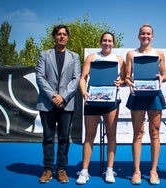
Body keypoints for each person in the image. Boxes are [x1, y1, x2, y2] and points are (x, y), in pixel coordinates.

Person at [76, 32, 125, 184]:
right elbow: (83, 78)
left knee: (111, 135)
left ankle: (110, 169)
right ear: (100, 42)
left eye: (110, 41)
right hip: (92, 101)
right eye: (104, 40)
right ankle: (84, 171)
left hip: (112, 103)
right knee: (89, 136)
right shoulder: (91, 58)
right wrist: (84, 92)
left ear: (113, 43)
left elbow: (124, 80)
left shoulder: (119, 60)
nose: (107, 43)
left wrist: (121, 82)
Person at [36, 24, 81, 183]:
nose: (62, 36)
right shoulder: (44, 55)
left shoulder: (74, 57)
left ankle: (61, 169)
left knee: (63, 139)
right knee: (48, 138)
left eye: (64, 34)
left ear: (67, 37)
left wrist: (63, 97)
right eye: (59, 34)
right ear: (54, 37)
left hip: (66, 104)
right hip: (47, 104)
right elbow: (40, 77)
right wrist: (53, 96)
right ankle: (47, 169)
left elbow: (76, 79)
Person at [124, 24, 166, 185]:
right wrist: (130, 83)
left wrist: (161, 79)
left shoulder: (159, 54)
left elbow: (164, 75)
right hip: (138, 95)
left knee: (155, 132)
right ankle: (136, 172)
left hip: (154, 95)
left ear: (152, 36)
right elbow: (127, 76)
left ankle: (153, 171)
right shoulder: (131, 54)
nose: (145, 36)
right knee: (138, 133)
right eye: (143, 33)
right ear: (138, 35)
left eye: (148, 33)